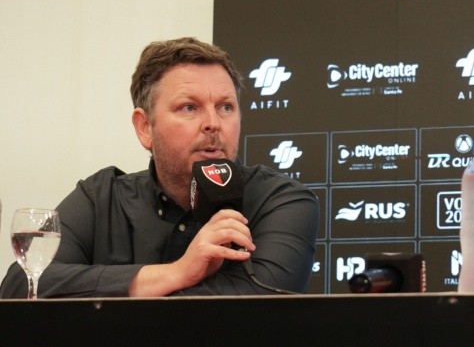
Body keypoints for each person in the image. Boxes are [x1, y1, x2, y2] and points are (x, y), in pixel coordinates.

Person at [0, 37, 319, 297]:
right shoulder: (101, 199)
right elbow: (22, 285)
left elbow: (261, 300)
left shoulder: (280, 200)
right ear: (145, 128)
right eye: (189, 107)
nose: (213, 123)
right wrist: (174, 273)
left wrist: (121, 295)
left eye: (225, 107)